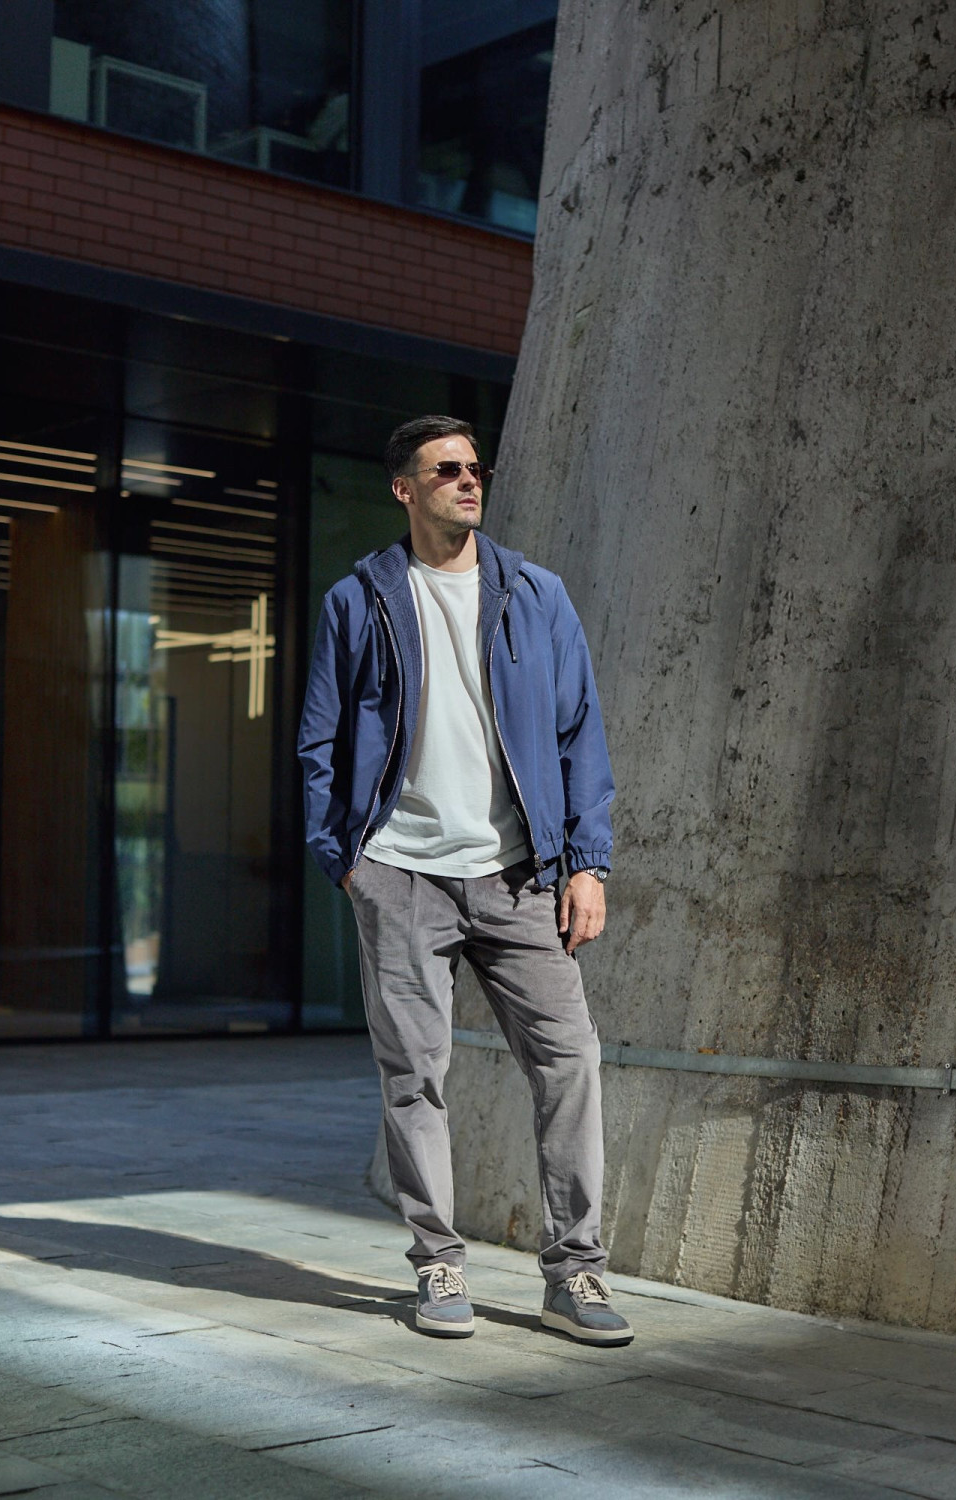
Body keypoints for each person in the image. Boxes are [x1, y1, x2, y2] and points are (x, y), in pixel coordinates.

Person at [298, 415, 631, 1346]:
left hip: (520, 875)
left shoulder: (534, 593)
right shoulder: (359, 599)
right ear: (404, 488)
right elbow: (320, 738)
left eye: (475, 467)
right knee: (414, 1075)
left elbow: (579, 733)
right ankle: (436, 1262)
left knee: (569, 1063)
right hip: (400, 873)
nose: (468, 480)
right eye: (446, 469)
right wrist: (346, 860)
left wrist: (587, 863)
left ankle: (576, 1271)